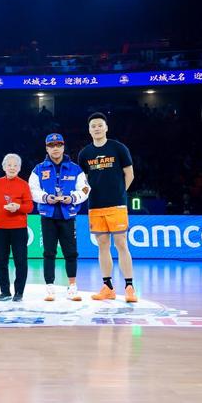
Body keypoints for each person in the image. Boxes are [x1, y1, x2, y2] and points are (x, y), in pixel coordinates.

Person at [78, 112, 137, 303]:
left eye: (99, 125)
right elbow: (84, 180)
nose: (96, 128)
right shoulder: (84, 154)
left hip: (117, 205)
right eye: (93, 126)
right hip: (95, 206)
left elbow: (129, 174)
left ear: (106, 128)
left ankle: (129, 287)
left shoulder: (118, 148)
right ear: (89, 130)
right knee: (102, 245)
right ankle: (108, 287)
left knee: (121, 244)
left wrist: (120, 193)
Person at [29, 133, 89, 301]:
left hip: (68, 215)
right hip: (48, 216)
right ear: (46, 148)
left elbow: (85, 189)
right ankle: (50, 287)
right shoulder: (38, 169)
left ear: (63, 147)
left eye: (58, 145)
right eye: (51, 145)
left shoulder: (76, 169)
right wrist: (45, 198)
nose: (55, 148)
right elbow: (32, 190)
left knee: (71, 252)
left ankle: (72, 286)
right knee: (49, 252)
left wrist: (72, 198)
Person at [0, 154, 33, 302]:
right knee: (0, 261)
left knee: (20, 261)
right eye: (9, 165)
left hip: (19, 229)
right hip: (0, 228)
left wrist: (18, 207)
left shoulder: (24, 184)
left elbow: (30, 207)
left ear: (19, 168)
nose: (12, 168)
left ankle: (19, 292)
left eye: (15, 165)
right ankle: (5, 291)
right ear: (3, 167)